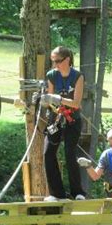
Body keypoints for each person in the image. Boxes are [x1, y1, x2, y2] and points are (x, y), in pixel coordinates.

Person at [40, 46, 86, 201]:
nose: (55, 65)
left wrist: (58, 98)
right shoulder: (52, 75)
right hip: (56, 118)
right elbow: (49, 99)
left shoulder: (78, 76)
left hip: (73, 119)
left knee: (70, 153)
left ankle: (77, 192)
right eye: (53, 61)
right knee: (48, 153)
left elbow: (76, 103)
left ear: (67, 60)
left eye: (58, 61)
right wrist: (44, 100)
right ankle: (56, 193)